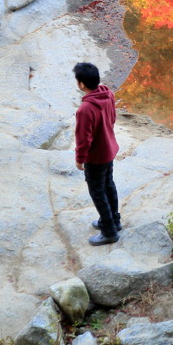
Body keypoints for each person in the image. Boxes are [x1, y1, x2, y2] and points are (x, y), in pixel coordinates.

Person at [73, 62, 121, 246]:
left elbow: (83, 139)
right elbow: (113, 118)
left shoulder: (85, 109)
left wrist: (79, 159)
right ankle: (114, 221)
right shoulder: (108, 94)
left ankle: (109, 231)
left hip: (96, 157)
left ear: (82, 84)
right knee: (108, 184)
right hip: (109, 149)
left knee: (97, 192)